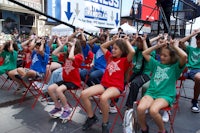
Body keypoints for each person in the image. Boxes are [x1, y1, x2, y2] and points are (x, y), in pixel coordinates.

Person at [80, 35, 135, 133]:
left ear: (122, 50)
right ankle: (91, 117)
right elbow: (103, 47)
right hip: (104, 84)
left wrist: (126, 41)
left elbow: (132, 51)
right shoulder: (109, 57)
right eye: (113, 48)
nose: (113, 50)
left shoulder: (125, 60)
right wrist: (113, 40)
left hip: (116, 87)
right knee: (84, 94)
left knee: (104, 98)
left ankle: (105, 123)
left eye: (115, 49)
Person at [137, 38, 187, 133]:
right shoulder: (156, 64)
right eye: (161, 54)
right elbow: (145, 53)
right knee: (140, 108)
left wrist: (175, 47)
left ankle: (162, 130)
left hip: (165, 95)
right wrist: (158, 46)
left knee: (153, 110)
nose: (162, 57)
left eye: (165, 56)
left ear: (172, 57)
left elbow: (184, 56)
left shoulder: (175, 68)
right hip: (152, 92)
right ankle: (144, 129)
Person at [47, 38, 83, 120]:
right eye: (68, 46)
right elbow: (54, 53)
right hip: (66, 80)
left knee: (59, 90)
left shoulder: (79, 56)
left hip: (74, 82)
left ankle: (67, 109)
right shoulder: (65, 55)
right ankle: (58, 106)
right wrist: (63, 44)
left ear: (76, 48)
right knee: (50, 88)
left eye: (71, 46)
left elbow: (71, 57)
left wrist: (73, 45)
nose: (69, 48)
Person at [179, 29, 200, 113]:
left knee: (198, 78)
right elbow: (181, 42)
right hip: (186, 69)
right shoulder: (191, 49)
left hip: (197, 71)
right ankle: (169, 96)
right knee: (172, 74)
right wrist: (193, 34)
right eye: (198, 39)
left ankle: (195, 101)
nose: (199, 41)